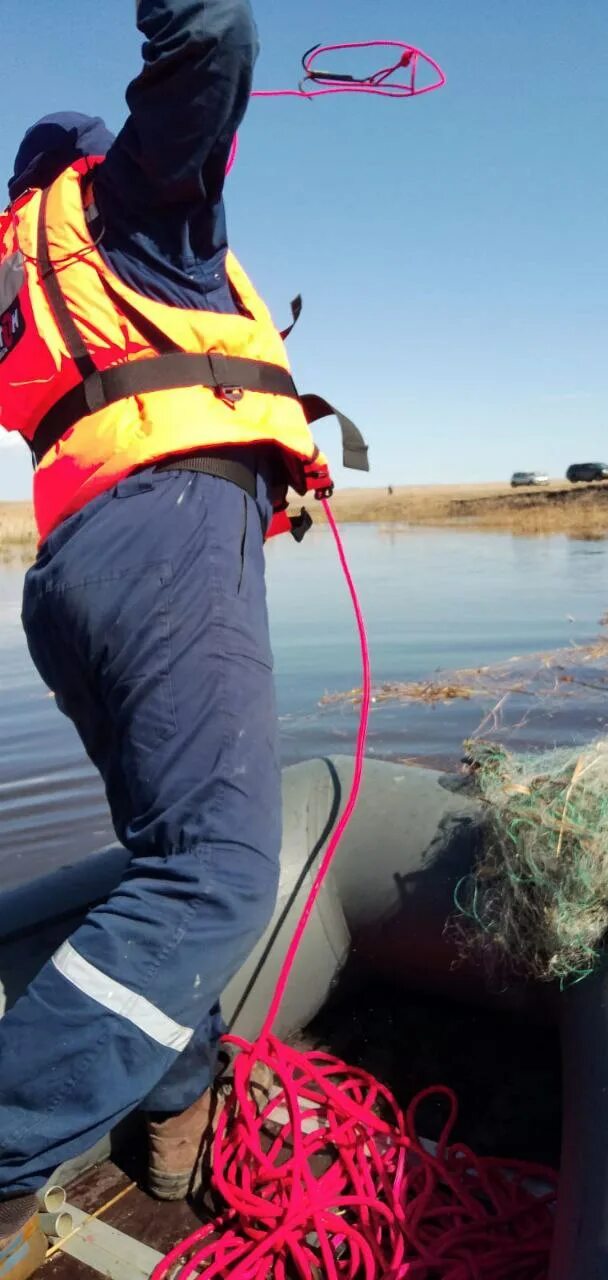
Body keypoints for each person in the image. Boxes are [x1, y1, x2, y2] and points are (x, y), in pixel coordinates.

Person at [0, 4, 366, 1275]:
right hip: (164, 542)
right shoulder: (133, 215)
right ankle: (6, 1153)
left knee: (168, 857)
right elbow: (215, 41)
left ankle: (169, 1117)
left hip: (73, 575)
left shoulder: (23, 272)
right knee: (212, 875)